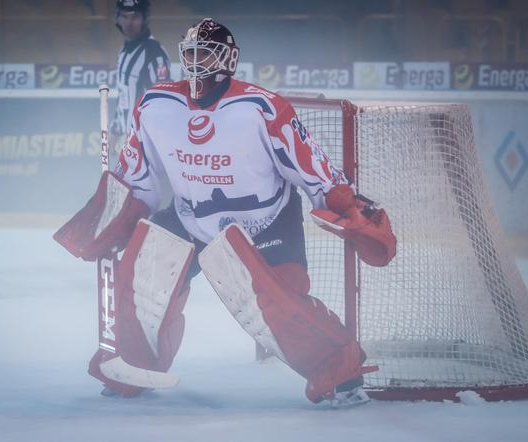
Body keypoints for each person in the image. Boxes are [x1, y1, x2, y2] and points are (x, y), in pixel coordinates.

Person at [55, 18, 396, 408]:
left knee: (278, 304)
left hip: (266, 223)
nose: (197, 63)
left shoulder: (261, 107)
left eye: (207, 53)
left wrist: (346, 206)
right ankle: (132, 366)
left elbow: (312, 169)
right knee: (138, 278)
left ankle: (342, 370)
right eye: (191, 54)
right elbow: (138, 175)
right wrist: (116, 216)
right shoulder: (155, 104)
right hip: (190, 217)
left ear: (228, 59)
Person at [110, 0, 171, 165]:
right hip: (127, 146)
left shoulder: (154, 51)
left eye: (135, 17)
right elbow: (124, 99)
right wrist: (114, 135)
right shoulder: (124, 51)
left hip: (147, 147)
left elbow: (163, 102)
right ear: (118, 18)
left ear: (145, 19)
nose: (129, 23)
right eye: (125, 16)